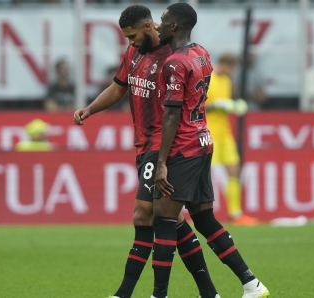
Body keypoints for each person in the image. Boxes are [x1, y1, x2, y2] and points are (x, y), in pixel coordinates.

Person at [73, 5, 218, 298]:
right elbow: (118, 87)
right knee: (172, 220)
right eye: (126, 37)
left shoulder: (173, 57)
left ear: (150, 26)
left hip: (162, 145)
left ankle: (125, 293)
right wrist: (89, 109)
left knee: (144, 214)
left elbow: (177, 109)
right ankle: (209, 291)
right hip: (142, 144)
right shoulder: (134, 53)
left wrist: (164, 157)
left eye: (133, 35)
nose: (130, 42)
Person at [152, 3, 269, 298]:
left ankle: (159, 295)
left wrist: (162, 160)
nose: (159, 25)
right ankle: (250, 283)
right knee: (203, 218)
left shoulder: (175, 63)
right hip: (204, 141)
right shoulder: (201, 52)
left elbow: (172, 114)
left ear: (175, 26)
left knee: (164, 219)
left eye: (164, 20)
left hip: (184, 147)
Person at [206, 53, 258, 226]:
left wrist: (235, 106)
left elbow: (228, 103)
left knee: (234, 170)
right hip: (208, 133)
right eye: (232, 68)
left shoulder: (227, 82)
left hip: (225, 134)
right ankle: (188, 212)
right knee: (200, 175)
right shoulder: (207, 79)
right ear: (225, 64)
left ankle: (236, 214)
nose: (233, 71)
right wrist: (217, 105)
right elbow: (195, 105)